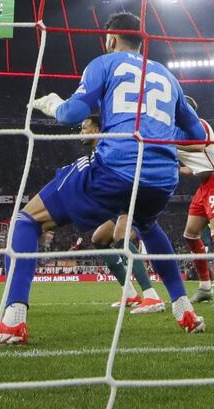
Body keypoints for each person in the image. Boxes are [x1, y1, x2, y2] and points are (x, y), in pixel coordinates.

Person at [0, 12, 207, 346]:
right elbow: (197, 135)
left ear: (111, 37)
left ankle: (13, 320)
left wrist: (53, 105)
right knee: (147, 225)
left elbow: (74, 115)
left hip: (117, 165)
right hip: (162, 177)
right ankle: (184, 308)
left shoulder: (104, 63)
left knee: (26, 219)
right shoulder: (166, 75)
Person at [78, 116, 164, 314]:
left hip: (135, 195)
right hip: (121, 202)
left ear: (98, 129)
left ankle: (152, 296)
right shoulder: (99, 151)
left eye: (84, 128)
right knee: (99, 239)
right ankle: (130, 293)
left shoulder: (112, 146)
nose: (81, 132)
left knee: (120, 237)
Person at [177, 96, 214, 306]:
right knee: (190, 235)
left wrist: (170, 148)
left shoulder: (199, 124)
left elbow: (201, 146)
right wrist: (176, 168)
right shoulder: (177, 131)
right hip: (203, 185)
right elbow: (192, 167)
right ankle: (205, 287)